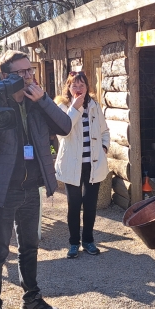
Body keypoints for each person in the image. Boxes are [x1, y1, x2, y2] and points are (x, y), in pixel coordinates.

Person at [0, 50, 71, 309]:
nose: (29, 76)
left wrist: (44, 100)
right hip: (2, 190)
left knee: (29, 246)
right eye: (21, 72)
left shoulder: (36, 101)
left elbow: (65, 127)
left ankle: (32, 299)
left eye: (30, 70)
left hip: (30, 187)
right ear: (5, 75)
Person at [54, 71, 110, 259]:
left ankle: (88, 240)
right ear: (68, 87)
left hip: (93, 164)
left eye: (82, 85)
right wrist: (75, 108)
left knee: (90, 205)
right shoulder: (62, 107)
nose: (78, 89)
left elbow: (104, 131)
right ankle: (73, 243)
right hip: (72, 164)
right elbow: (63, 132)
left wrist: (104, 147)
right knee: (74, 205)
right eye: (74, 85)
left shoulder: (94, 105)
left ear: (87, 87)